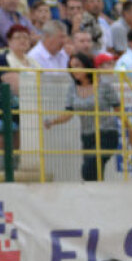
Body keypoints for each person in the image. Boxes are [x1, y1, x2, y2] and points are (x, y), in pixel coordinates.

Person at [43, 52, 125, 181]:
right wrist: (52, 121)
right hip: (87, 136)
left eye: (77, 65)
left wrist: (131, 135)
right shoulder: (72, 88)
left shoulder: (104, 86)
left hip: (107, 133)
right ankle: (98, 198)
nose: (74, 70)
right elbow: (68, 113)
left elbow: (119, 111)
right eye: (71, 67)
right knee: (93, 173)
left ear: (87, 66)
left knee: (89, 168)